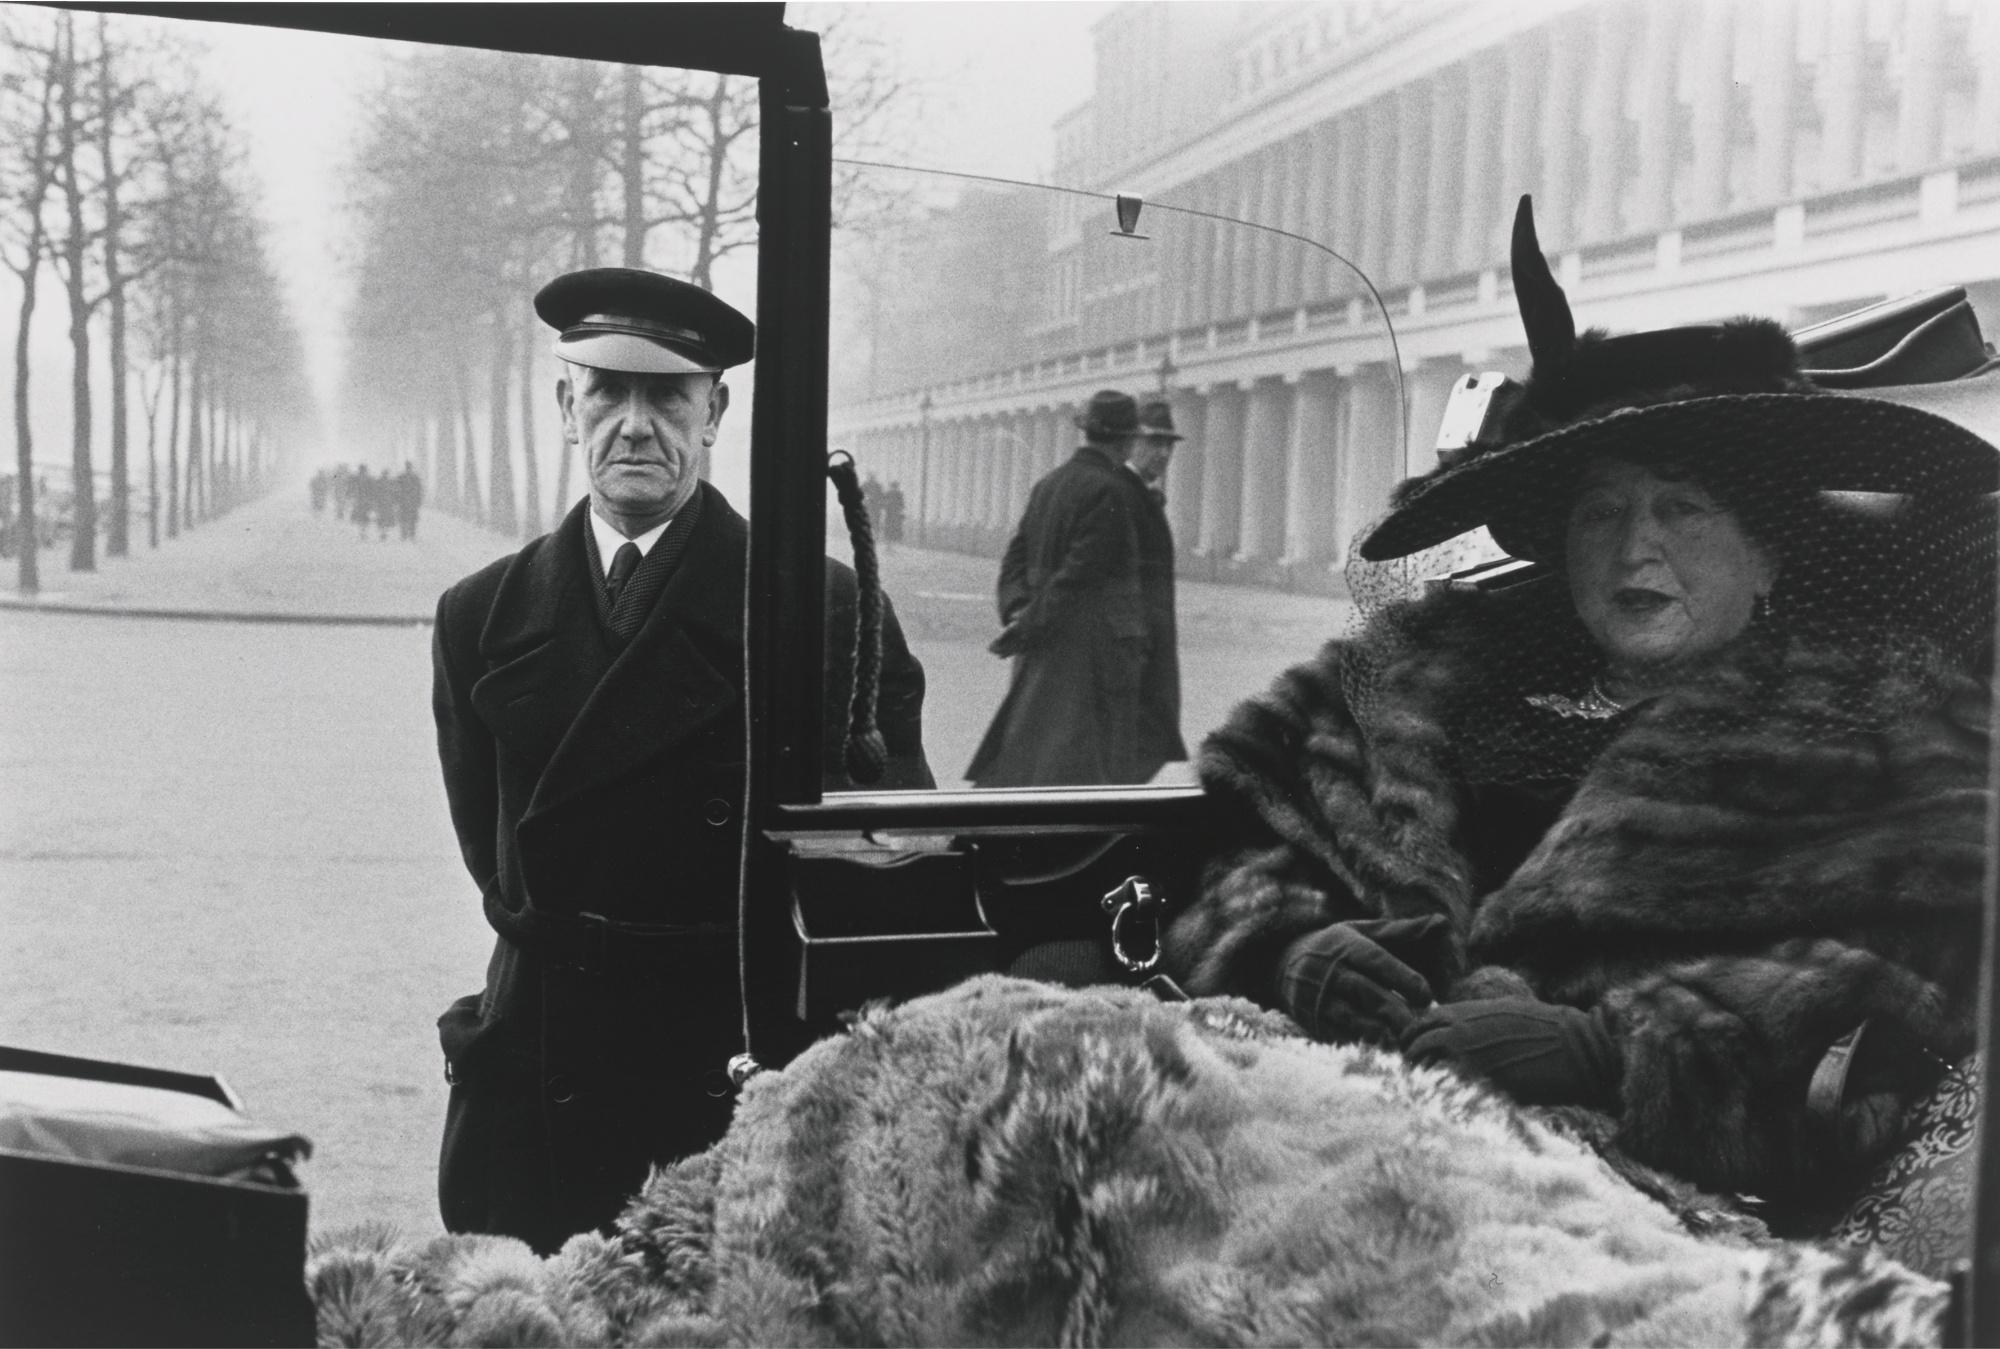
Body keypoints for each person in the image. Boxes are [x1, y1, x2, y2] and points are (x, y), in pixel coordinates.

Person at [1163, 197, 1998, 1226]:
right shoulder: (1407, 691)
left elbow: (1921, 982)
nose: (1630, 547)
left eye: (1680, 509)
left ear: (1768, 549)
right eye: (1598, 511)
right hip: (1331, 1129)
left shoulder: (1884, 722)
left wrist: (1612, 1049)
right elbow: (1238, 859)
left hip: (1638, 1206)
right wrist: (1294, 950)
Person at [430, 266, 933, 1255]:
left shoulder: (820, 614)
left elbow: (888, 868)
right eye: (608, 392)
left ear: (716, 413)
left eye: (667, 396)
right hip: (538, 1068)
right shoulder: (478, 616)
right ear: (565, 405)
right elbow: (493, 857)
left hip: (726, 1072)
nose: (634, 423)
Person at [965, 389, 1161, 787]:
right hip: (1090, 649)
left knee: (1031, 748)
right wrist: (1029, 624)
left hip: (1041, 641)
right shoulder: (1112, 491)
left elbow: (1014, 559)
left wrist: (1018, 611)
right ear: (1125, 441)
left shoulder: (1048, 485)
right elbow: (1081, 574)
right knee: (1081, 765)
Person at [1129, 400, 1188, 776]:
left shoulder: (1146, 495)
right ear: (1130, 442)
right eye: (1153, 443)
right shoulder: (1123, 495)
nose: (1163, 453)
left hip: (1152, 647)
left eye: (1168, 445)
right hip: (1136, 648)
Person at [396, 461, 423, 541]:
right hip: (410, 501)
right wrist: (418, 500)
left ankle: (406, 535)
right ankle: (410, 534)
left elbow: (397, 489)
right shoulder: (415, 477)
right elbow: (419, 490)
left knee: (405, 519)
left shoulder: (401, 477)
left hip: (405, 501)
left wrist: (397, 499)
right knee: (411, 519)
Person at [882, 480, 906, 544]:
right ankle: (889, 541)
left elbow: (902, 504)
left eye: (895, 486)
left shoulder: (899, 494)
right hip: (890, 513)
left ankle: (893, 541)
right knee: (890, 526)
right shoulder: (888, 494)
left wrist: (901, 511)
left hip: (895, 513)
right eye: (893, 486)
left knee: (895, 526)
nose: (894, 488)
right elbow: (884, 502)